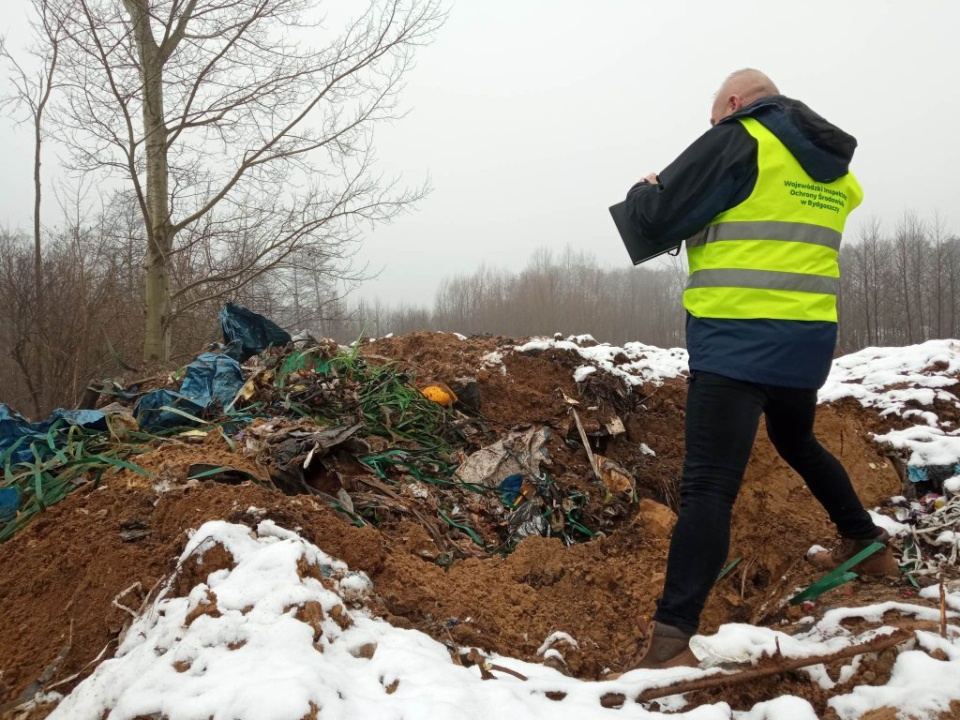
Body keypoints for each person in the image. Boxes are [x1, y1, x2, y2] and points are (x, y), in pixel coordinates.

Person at [620, 69, 898, 671]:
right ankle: (868, 544)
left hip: (735, 340)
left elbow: (659, 213)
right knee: (795, 438)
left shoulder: (739, 136)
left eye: (716, 114)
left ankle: (671, 640)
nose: (714, 125)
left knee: (708, 487)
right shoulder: (835, 169)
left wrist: (645, 190)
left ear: (737, 102)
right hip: (805, 343)